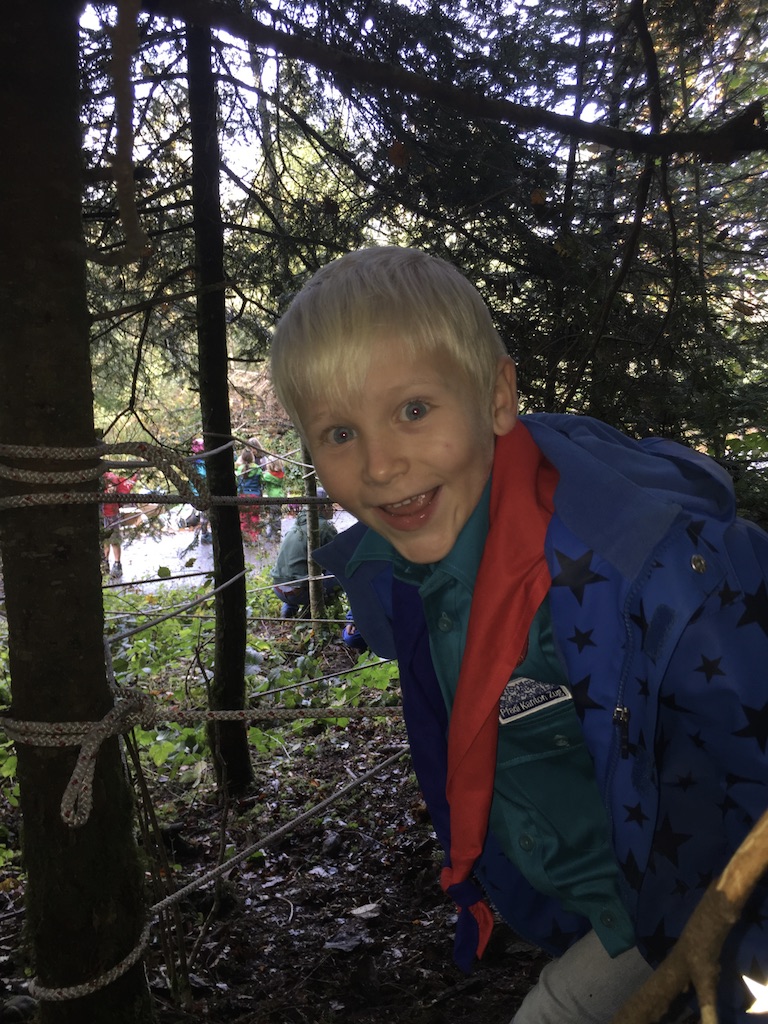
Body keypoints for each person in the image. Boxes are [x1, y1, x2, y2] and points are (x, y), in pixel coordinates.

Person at [269, 245, 768, 1023]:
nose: (380, 465)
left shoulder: (647, 571)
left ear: (497, 396)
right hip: (584, 902)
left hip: (694, 907)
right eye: (338, 432)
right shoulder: (401, 567)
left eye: (412, 410)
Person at [271, 490, 339, 616]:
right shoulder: (325, 527)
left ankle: (288, 612)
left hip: (278, 588)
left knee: (299, 572)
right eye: (330, 505)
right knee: (340, 574)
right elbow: (340, 557)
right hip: (299, 592)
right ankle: (310, 615)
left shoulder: (297, 524)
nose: (333, 509)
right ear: (323, 507)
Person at [101, 469, 137, 578]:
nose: (111, 487)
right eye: (109, 485)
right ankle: (105, 562)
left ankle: (117, 564)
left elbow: (126, 486)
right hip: (102, 515)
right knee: (105, 541)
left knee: (114, 540)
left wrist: (135, 475)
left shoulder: (113, 479)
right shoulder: (100, 479)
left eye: (113, 485)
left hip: (112, 515)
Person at [235, 447, 263, 543]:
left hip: (243, 496)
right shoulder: (257, 469)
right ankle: (254, 538)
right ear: (252, 458)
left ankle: (245, 538)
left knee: (244, 517)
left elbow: (237, 483)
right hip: (255, 496)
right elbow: (261, 482)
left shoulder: (240, 469)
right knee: (254, 517)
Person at [261, 455, 286, 540]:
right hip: (280, 495)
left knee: (274, 516)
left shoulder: (268, 475)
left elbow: (262, 478)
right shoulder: (281, 473)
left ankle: (276, 534)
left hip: (273, 497)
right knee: (275, 514)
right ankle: (273, 532)